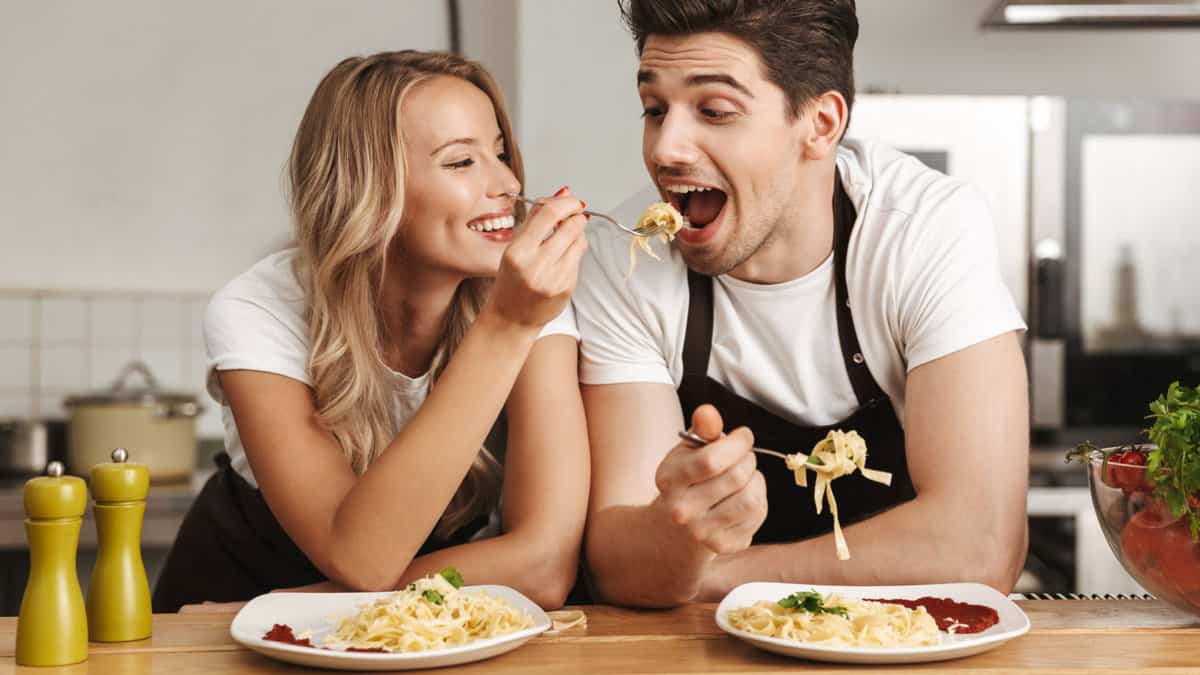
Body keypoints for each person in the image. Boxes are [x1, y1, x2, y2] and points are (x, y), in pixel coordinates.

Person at [574, 0, 1029, 607]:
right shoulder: (622, 258)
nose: (666, 149)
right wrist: (672, 531)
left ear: (820, 123)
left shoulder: (922, 230)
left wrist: (705, 573)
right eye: (655, 110)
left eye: (715, 111)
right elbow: (617, 561)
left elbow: (979, 548)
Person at [152, 50, 590, 612]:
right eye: (461, 163)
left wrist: (302, 603)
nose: (508, 183)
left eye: (501, 154)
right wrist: (508, 326)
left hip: (306, 611)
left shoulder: (529, 299)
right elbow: (361, 556)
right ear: (368, 187)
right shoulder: (258, 308)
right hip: (230, 616)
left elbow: (544, 566)